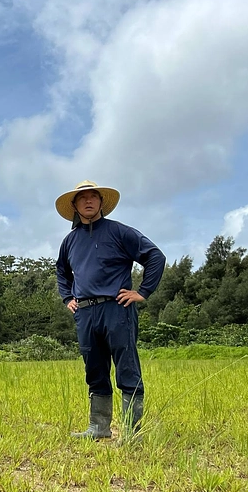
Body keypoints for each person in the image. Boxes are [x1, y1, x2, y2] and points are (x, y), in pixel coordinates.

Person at [55, 180, 166, 440]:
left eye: (93, 196)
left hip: (117, 308)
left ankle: (131, 432)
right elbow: (62, 271)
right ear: (74, 205)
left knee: (127, 367)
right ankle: (99, 428)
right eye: (82, 197)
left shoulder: (119, 232)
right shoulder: (70, 241)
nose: (88, 200)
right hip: (85, 312)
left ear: (101, 202)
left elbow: (155, 256)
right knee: (94, 369)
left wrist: (143, 292)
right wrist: (67, 297)